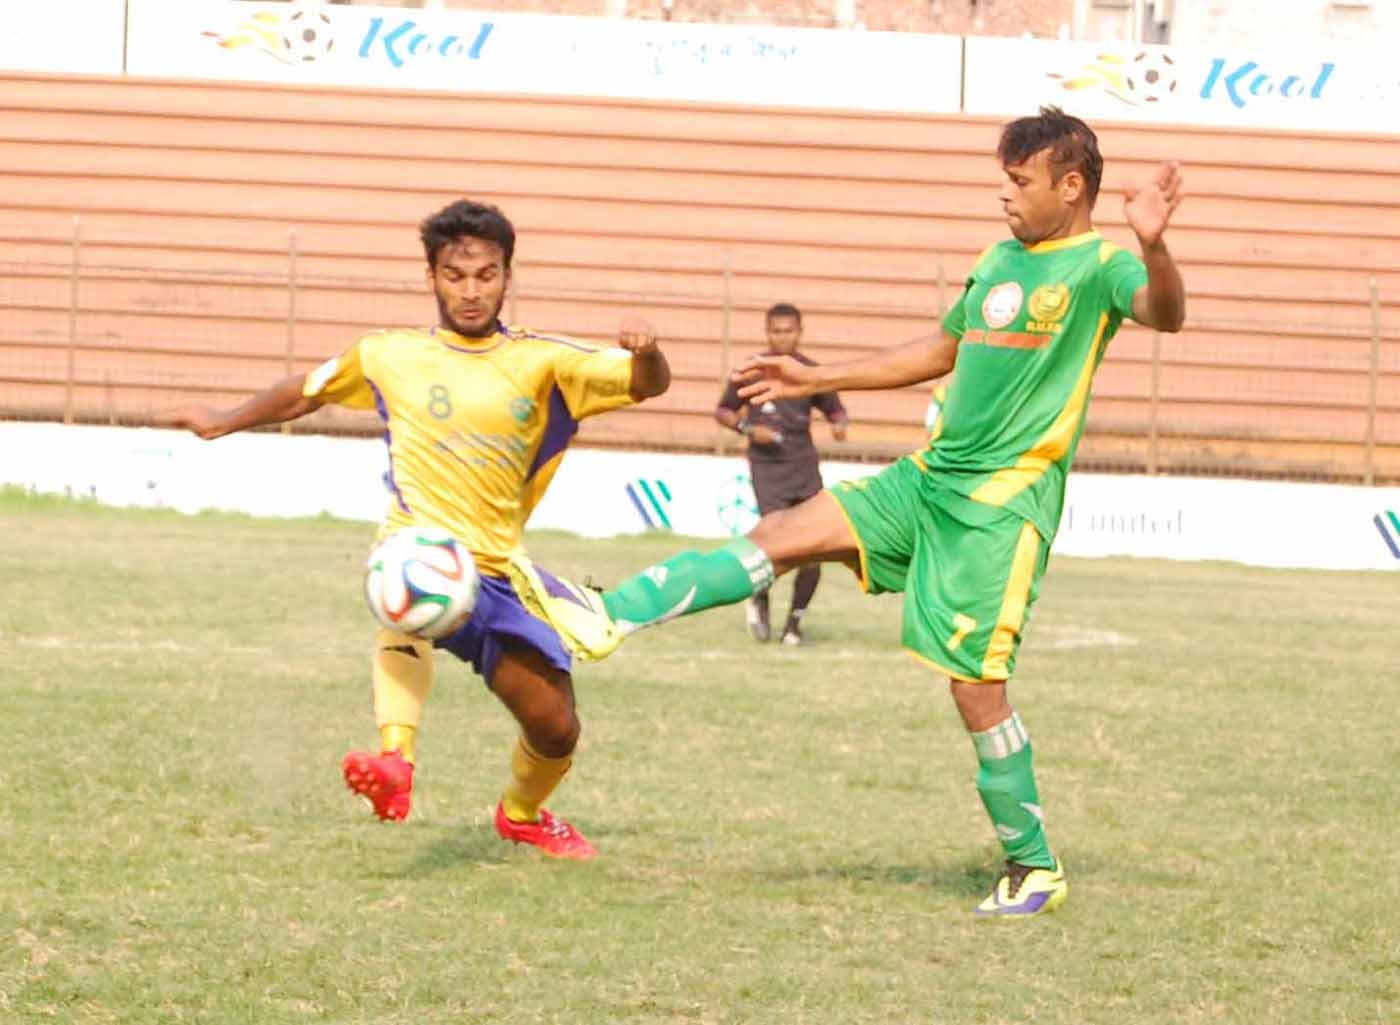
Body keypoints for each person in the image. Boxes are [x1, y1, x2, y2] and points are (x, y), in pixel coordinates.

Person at [511, 107, 1185, 910]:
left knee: (976, 690)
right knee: (782, 533)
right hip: (928, 480)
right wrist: (810, 375)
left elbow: (1165, 313)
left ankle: (1033, 864)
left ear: (1072, 188)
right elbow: (940, 351)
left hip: (999, 509)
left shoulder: (1100, 268)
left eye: (1019, 182)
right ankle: (606, 613)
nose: (1004, 196)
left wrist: (1153, 244)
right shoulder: (1000, 258)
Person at [160, 199, 670, 859]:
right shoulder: (389, 354)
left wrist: (649, 351)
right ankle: (395, 760)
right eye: (456, 276)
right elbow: (307, 389)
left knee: (557, 725)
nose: (470, 290)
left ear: (507, 277)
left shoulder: (544, 362)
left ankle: (521, 812)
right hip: (419, 543)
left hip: (500, 570)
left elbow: (646, 384)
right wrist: (224, 419)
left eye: (485, 275)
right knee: (405, 583)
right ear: (431, 277)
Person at [715, 303, 847, 645]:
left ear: (800, 332)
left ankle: (794, 624)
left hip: (804, 465)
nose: (782, 337)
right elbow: (723, 410)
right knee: (776, 543)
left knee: (815, 548)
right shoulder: (752, 371)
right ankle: (760, 600)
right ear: (766, 331)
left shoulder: (810, 372)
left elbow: (835, 408)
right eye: (775, 330)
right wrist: (748, 427)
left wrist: (839, 424)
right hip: (767, 467)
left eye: (788, 331)